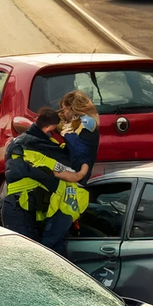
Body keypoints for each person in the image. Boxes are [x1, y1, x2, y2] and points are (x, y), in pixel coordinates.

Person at [2, 108, 85, 244]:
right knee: (31, 254)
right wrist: (81, 171)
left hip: (22, 207)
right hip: (21, 209)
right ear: (50, 128)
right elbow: (67, 171)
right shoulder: (36, 148)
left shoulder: (20, 143)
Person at [43, 91, 101, 250]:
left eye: (64, 109)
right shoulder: (80, 123)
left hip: (74, 187)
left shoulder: (87, 122)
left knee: (53, 237)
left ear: (72, 107)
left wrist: (64, 131)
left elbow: (78, 146)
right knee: (59, 234)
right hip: (70, 185)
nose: (63, 114)